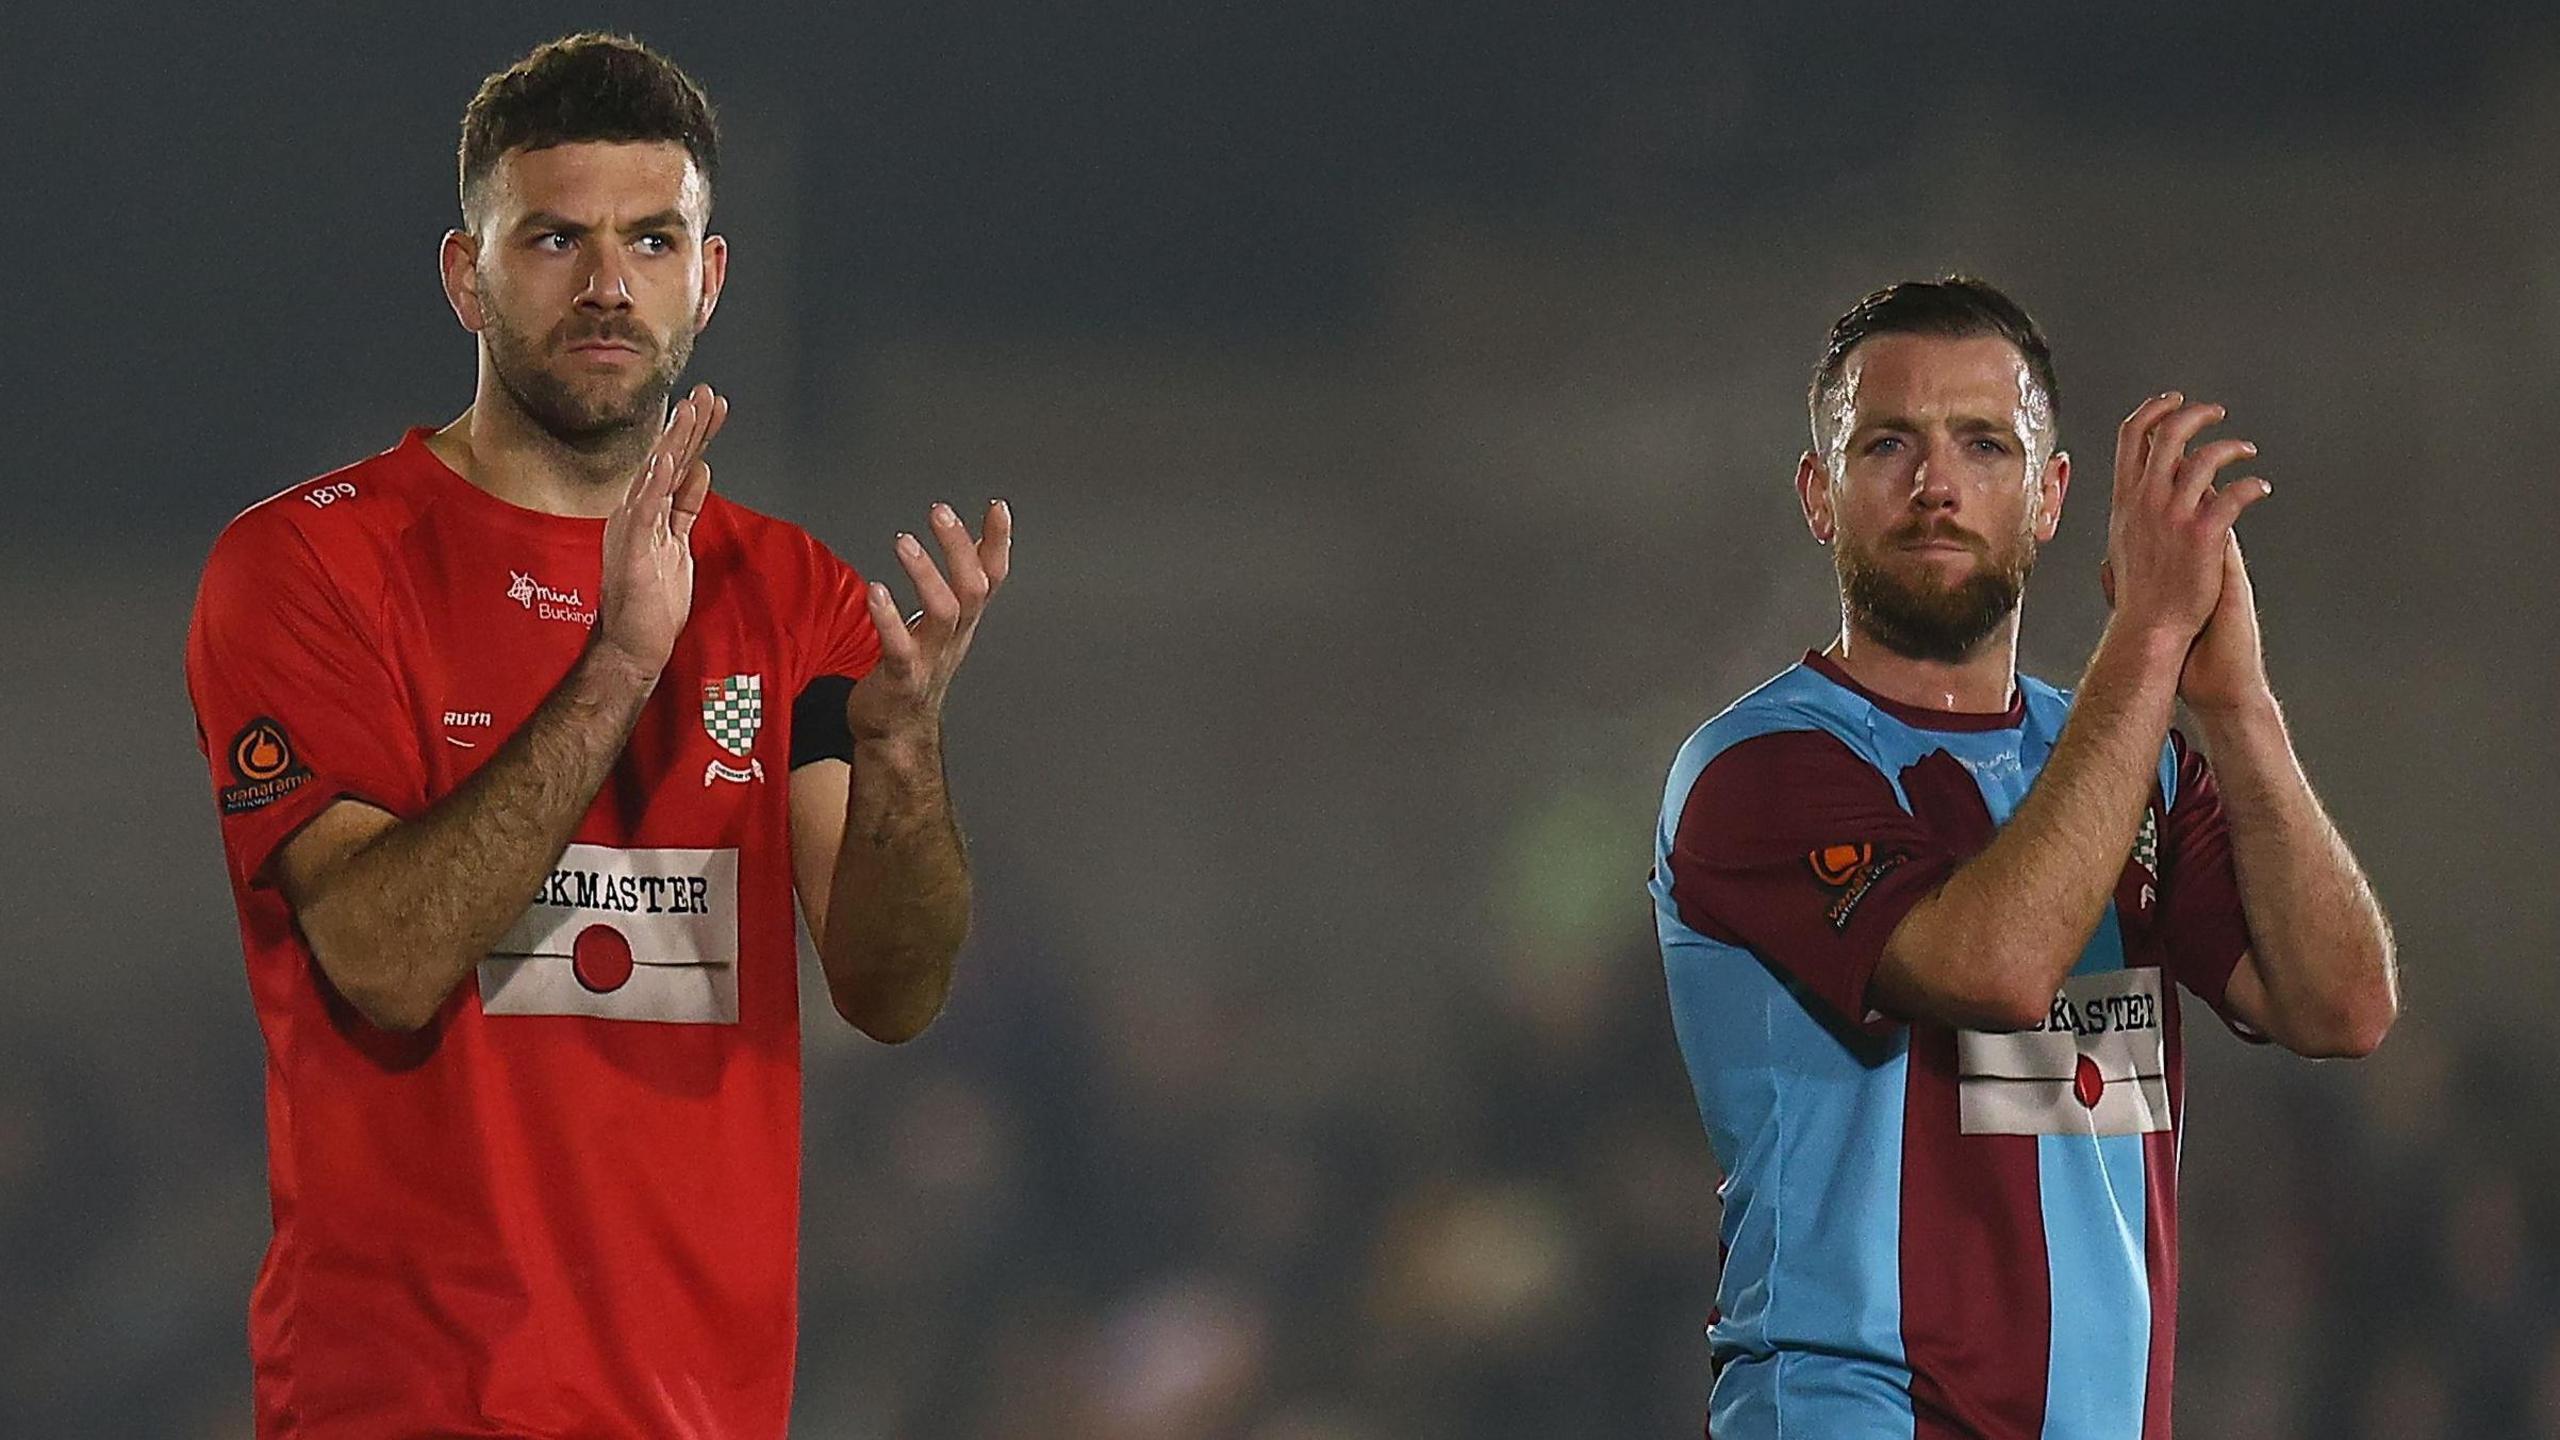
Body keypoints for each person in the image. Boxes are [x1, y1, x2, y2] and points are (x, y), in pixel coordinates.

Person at [182, 33, 1009, 1437]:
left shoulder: (787, 591)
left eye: (652, 238)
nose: (609, 285)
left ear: (711, 274)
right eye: (556, 237)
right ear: (465, 275)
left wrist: (907, 751)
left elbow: (892, 987)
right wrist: (622, 661)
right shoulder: (311, 567)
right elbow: (382, 960)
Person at [1648, 277, 2397, 1439]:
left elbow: (2342, 1005)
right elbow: (1994, 969)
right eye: (1886, 443)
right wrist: (2149, 630)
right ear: (1818, 496)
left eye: (1984, 445)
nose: (1935, 485)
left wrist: (2238, 708)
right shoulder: (1758, 769)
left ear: (2048, 498)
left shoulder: (2131, 764)